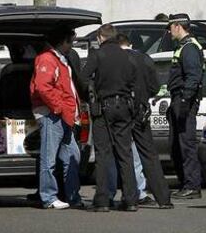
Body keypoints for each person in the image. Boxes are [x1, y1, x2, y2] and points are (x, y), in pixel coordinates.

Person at [81, 23, 138, 212]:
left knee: (103, 154)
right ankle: (130, 199)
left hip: (103, 107)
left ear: (100, 37)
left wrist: (90, 93)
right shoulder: (128, 55)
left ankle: (103, 200)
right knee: (125, 153)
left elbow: (83, 77)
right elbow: (134, 80)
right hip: (124, 106)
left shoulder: (97, 55)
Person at [115, 33, 173, 208]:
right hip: (141, 111)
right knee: (149, 155)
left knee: (125, 155)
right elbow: (155, 87)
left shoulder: (117, 60)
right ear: (130, 44)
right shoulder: (145, 58)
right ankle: (164, 199)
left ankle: (131, 199)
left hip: (122, 110)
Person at [30, 29, 82, 209]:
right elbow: (43, 87)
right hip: (53, 114)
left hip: (62, 114)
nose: (72, 46)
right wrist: (58, 106)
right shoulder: (47, 59)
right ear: (62, 42)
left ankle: (73, 195)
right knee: (49, 157)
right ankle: (49, 197)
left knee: (72, 155)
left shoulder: (57, 58)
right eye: (71, 42)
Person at [166, 13, 204, 199]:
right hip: (178, 99)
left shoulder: (189, 48)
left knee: (186, 144)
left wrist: (184, 101)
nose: (168, 30)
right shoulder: (183, 47)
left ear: (178, 26)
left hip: (184, 101)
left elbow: (193, 78)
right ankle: (185, 184)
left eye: (170, 26)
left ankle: (192, 186)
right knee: (176, 145)